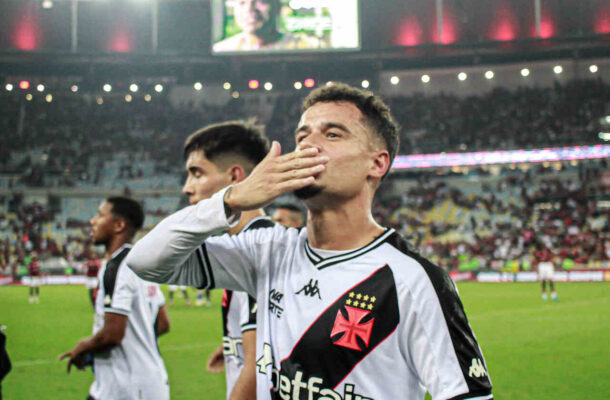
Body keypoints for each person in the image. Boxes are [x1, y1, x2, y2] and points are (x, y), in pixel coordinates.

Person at [128, 83, 493, 400]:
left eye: (332, 135)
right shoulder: (267, 251)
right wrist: (230, 199)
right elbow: (146, 261)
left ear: (377, 164)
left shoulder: (412, 280)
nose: (308, 147)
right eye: (302, 136)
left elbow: (465, 395)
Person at [183, 120, 271, 400]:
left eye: (197, 174)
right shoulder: (242, 244)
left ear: (235, 176)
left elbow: (259, 365)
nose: (187, 188)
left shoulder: (259, 249)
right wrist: (232, 344)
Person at [59, 197, 170, 400]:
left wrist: (84, 346)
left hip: (124, 389)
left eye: (100, 215)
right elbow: (162, 324)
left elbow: (112, 334)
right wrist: (137, 345)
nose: (92, 221)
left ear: (119, 225)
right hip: (150, 383)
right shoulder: (142, 263)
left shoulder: (118, 266)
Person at [213, 0, 325, 52]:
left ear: (277, 7)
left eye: (259, 2)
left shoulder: (305, 47)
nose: (249, 9)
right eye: (242, 3)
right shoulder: (223, 49)